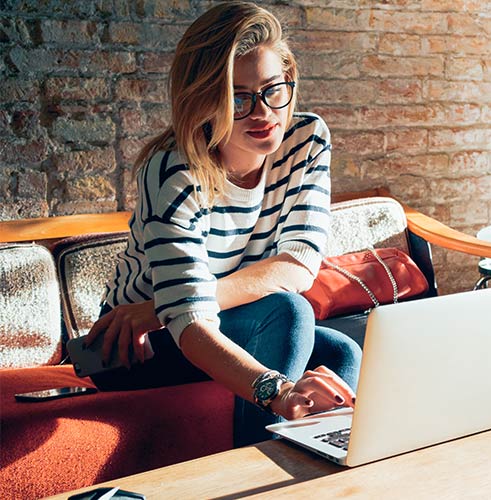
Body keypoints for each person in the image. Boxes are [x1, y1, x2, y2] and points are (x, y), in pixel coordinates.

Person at [84, 1, 362, 446]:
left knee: (342, 351)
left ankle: (322, 479)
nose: (263, 112)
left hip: (181, 315)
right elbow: (191, 324)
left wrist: (165, 305)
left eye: (273, 89)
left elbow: (299, 265)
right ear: (205, 100)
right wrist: (281, 392)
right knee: (289, 312)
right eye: (238, 97)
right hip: (130, 345)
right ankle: (254, 482)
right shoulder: (173, 171)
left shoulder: (306, 141)